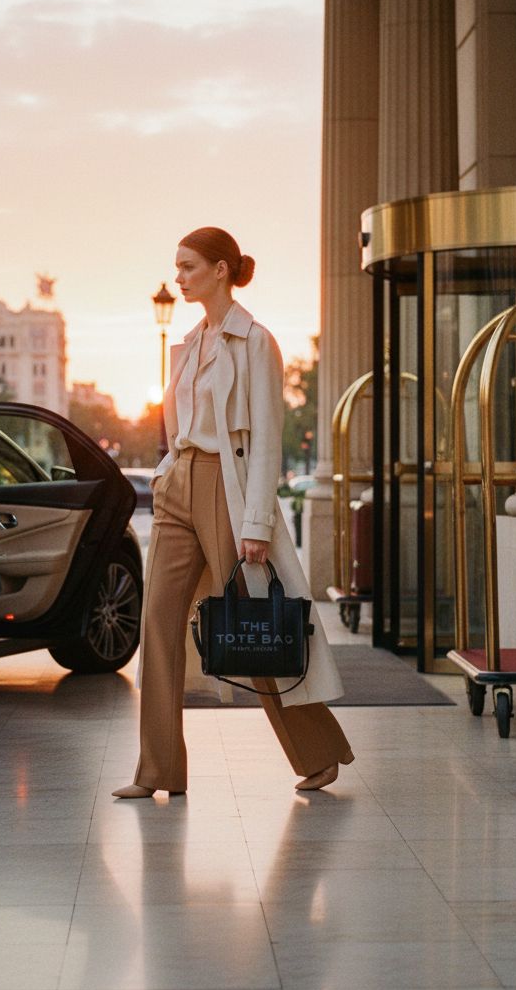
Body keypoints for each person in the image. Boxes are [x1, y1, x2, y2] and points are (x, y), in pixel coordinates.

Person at [112, 227, 353, 799]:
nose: (179, 277)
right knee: (159, 624)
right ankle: (158, 771)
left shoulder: (255, 341)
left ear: (221, 269)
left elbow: (267, 438)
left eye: (188, 266)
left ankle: (317, 752)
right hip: (178, 483)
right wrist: (170, 468)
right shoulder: (191, 341)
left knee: (253, 624)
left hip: (227, 487)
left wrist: (256, 525)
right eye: (177, 267)